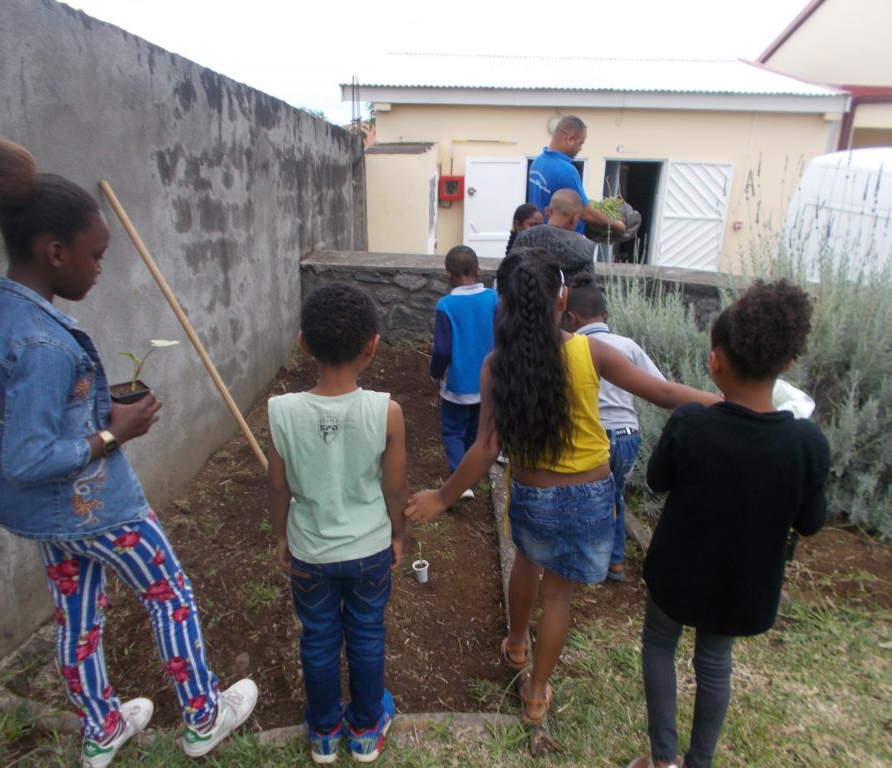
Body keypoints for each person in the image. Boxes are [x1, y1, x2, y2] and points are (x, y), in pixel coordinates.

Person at [0, 139, 257, 768]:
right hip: (97, 508)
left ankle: (102, 727)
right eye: (95, 256)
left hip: (42, 517)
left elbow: (21, 421)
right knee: (169, 592)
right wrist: (114, 433)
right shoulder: (45, 340)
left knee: (77, 612)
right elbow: (32, 455)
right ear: (55, 251)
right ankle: (204, 716)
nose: (98, 269)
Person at [405, 249, 719, 729]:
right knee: (559, 598)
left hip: (533, 497)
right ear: (563, 298)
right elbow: (664, 393)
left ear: (502, 304)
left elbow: (486, 447)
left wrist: (442, 496)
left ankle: (515, 645)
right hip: (591, 498)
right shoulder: (588, 351)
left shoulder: (496, 366)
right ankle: (535, 694)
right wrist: (725, 403)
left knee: (527, 563)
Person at [628, 280, 830, 768]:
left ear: (714, 361)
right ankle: (699, 763)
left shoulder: (692, 422)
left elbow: (657, 480)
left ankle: (662, 759)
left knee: (659, 644)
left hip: (678, 569)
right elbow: (810, 521)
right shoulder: (806, 443)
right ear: (786, 365)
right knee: (715, 662)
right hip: (743, 581)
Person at [267, 282, 407, 765]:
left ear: (304, 343)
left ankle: (324, 732)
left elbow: (278, 489)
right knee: (367, 633)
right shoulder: (385, 411)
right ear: (372, 344)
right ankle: (367, 729)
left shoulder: (282, 412)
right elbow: (394, 489)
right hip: (368, 550)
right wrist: (398, 534)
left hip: (310, 552)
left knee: (318, 637)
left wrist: (282, 535)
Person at [562, 272, 665, 582]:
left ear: (570, 317)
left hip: (591, 436)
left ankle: (584, 563)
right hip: (627, 436)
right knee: (615, 496)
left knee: (583, 498)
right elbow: (659, 386)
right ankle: (616, 563)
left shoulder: (574, 348)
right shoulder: (627, 345)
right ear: (606, 315)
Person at [430, 246, 499, 499]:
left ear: (448, 274)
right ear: (479, 271)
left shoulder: (446, 305)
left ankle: (460, 480)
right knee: (475, 428)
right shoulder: (493, 299)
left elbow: (442, 350)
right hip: (488, 382)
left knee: (453, 429)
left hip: (458, 382)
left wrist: (435, 373)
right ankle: (473, 473)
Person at [527, 115, 625, 236]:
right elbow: (586, 213)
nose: (580, 149)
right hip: (563, 242)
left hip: (539, 236)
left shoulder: (537, 162)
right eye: (580, 143)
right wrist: (615, 225)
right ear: (570, 139)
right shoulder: (566, 171)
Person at [513, 189, 597, 277]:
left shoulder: (527, 237)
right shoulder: (585, 248)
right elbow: (589, 286)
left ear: (547, 211)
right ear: (575, 218)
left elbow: (509, 274)